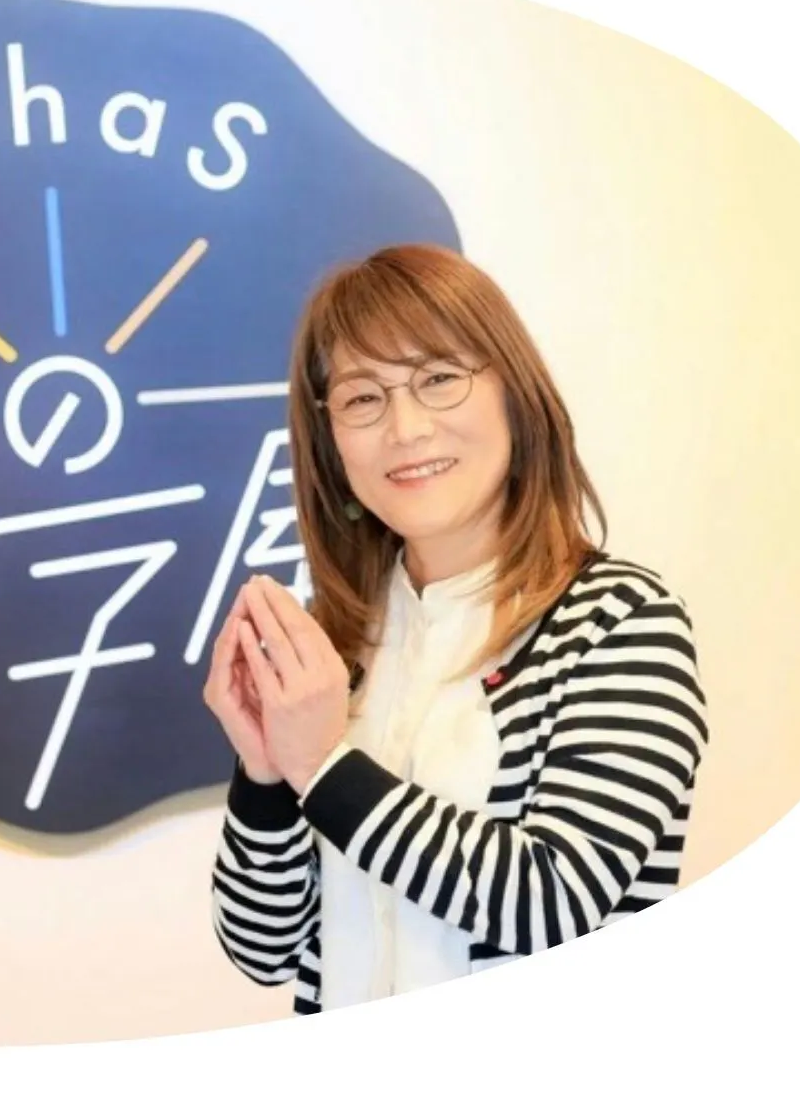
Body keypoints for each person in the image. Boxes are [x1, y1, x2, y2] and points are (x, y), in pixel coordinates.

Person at [204, 243, 707, 1013]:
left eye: (438, 378)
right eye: (362, 398)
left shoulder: (620, 621)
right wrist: (265, 774)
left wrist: (323, 767)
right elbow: (263, 948)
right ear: (331, 442)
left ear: (515, 396)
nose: (405, 429)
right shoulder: (334, 645)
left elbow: (557, 898)